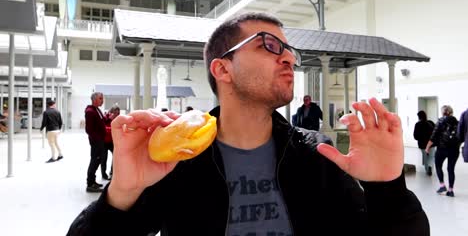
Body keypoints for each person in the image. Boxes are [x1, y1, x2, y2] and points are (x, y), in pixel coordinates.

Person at [67, 12, 429, 235]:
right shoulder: (177, 160)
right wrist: (122, 193)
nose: (289, 58)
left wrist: (387, 191)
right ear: (222, 68)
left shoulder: (316, 153)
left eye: (291, 51)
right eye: (269, 45)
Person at [425, 105, 461, 197]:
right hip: (454, 150)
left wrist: (427, 147)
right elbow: (461, 136)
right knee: (451, 169)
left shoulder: (440, 121)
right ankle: (451, 190)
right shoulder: (458, 122)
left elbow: (433, 136)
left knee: (438, 165)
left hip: (442, 149)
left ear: (443, 112)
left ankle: (442, 186)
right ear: (451, 112)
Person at [84, 92, 107, 193]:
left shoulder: (97, 109)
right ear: (94, 100)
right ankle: (90, 184)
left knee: (97, 160)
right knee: (94, 161)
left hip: (100, 140)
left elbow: (102, 121)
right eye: (100, 98)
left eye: (102, 98)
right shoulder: (90, 111)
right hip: (96, 141)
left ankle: (93, 181)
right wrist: (97, 139)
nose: (102, 100)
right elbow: (89, 129)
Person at [413, 110, 435, 175]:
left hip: (422, 144)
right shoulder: (430, 123)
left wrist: (420, 138)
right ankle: (430, 166)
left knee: (425, 157)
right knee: (431, 156)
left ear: (419, 117)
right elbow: (434, 133)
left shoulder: (417, 124)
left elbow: (415, 136)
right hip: (431, 144)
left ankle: (427, 170)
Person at [101, 105, 120, 180]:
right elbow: (103, 128)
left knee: (115, 156)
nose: (117, 115)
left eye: (118, 113)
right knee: (104, 158)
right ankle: (103, 174)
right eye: (116, 113)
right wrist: (112, 128)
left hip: (112, 141)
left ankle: (112, 173)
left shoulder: (117, 120)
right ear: (111, 112)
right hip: (104, 142)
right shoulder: (104, 118)